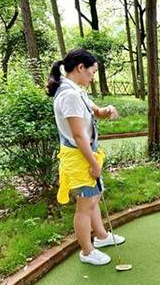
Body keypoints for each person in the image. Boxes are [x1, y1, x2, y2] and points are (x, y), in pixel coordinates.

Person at [46, 48, 125, 266]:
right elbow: (79, 135)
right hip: (79, 155)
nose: (92, 77)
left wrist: (107, 109)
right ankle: (87, 252)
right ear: (80, 68)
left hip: (86, 152)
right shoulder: (69, 95)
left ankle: (100, 236)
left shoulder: (76, 90)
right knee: (85, 205)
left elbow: (95, 111)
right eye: (91, 72)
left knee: (94, 198)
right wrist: (93, 164)